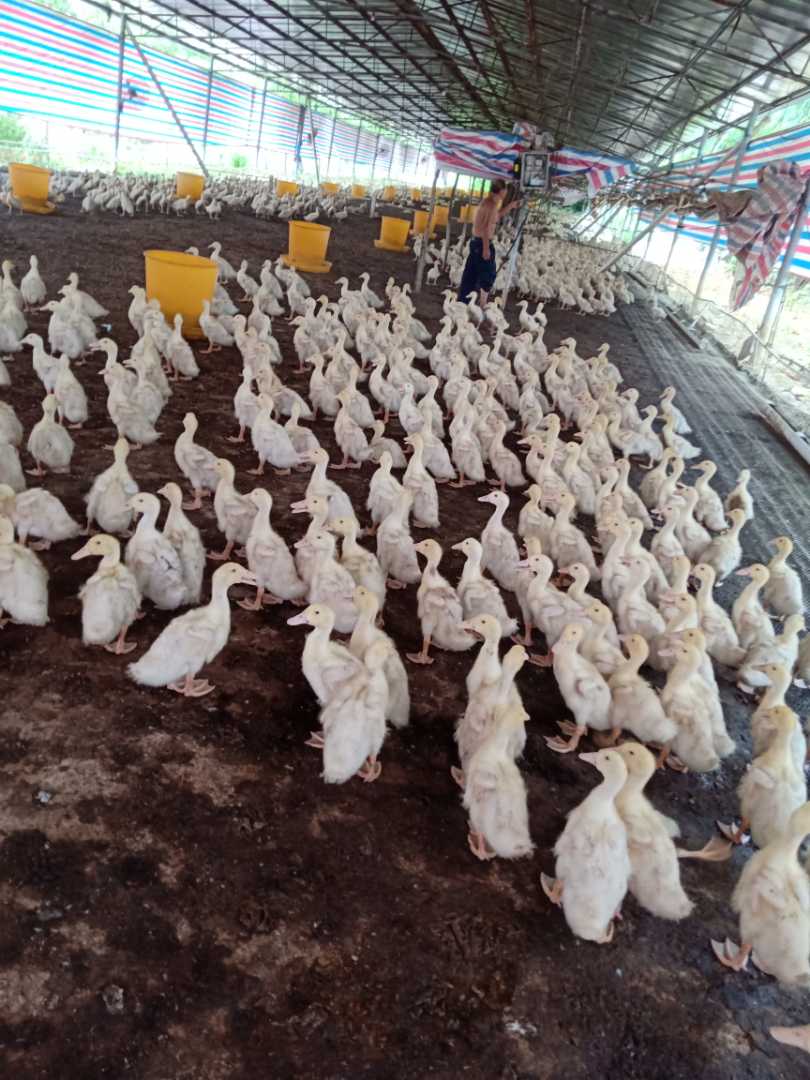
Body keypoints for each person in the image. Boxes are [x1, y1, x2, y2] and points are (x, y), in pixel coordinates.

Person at [457, 178, 521, 308]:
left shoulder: (488, 202)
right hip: (482, 243)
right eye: (505, 190)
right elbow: (486, 228)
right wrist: (486, 249)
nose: (506, 192)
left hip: (477, 242)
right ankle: (482, 305)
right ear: (501, 191)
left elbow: (496, 217)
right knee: (489, 274)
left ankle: (462, 303)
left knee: (471, 273)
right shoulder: (490, 205)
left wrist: (511, 206)